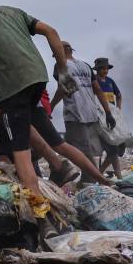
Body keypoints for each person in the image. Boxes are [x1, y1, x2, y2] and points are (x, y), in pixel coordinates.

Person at [0, 0, 111, 198]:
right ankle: (104, 180)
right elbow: (51, 31)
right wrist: (63, 72)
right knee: (58, 142)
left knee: (21, 154)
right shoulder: (14, 11)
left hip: (14, 86)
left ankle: (39, 214)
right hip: (38, 78)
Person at [0, 53, 80, 185]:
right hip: (29, 107)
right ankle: (57, 168)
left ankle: (18, 187)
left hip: (5, 112)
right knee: (31, 148)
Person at [50, 43, 115, 181]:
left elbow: (64, 88)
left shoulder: (61, 65)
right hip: (90, 112)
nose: (55, 57)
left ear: (60, 51)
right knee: (78, 146)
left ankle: (91, 180)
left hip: (75, 112)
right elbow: (97, 89)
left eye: (55, 53)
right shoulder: (85, 66)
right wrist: (108, 112)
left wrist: (50, 106)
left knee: (77, 148)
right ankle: (85, 179)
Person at [93, 57, 125, 179]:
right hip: (99, 118)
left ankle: (99, 173)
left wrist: (118, 110)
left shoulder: (110, 81)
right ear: (97, 69)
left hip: (111, 117)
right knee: (111, 149)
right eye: (103, 68)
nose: (105, 70)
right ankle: (118, 177)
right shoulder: (94, 81)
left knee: (113, 149)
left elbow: (119, 95)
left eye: (106, 68)